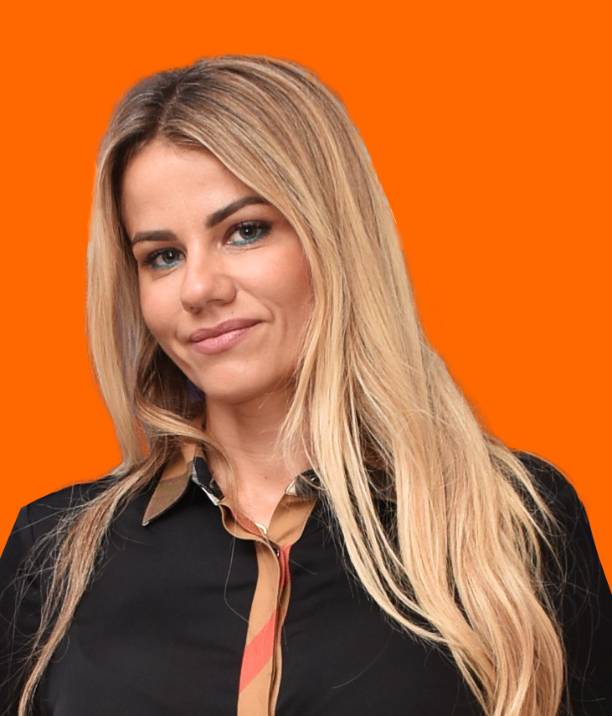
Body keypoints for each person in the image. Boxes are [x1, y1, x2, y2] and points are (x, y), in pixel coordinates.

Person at [1, 54, 610, 716]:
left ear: (333, 236)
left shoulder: (512, 524)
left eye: (245, 231)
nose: (198, 288)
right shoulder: (54, 554)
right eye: (163, 256)